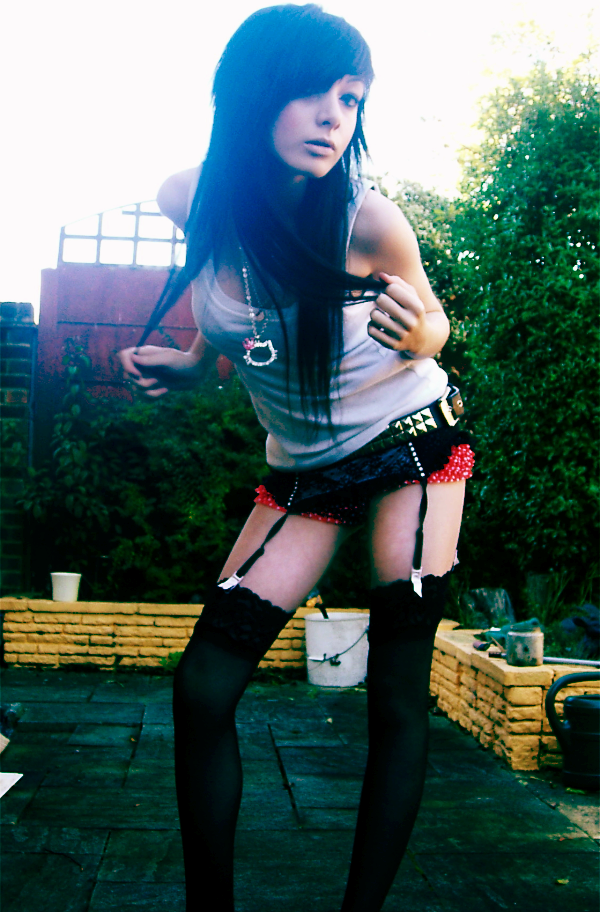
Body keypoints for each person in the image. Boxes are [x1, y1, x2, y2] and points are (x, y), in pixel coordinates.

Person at [118, 5, 474, 910]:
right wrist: (193, 362)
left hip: (411, 448)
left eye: (350, 99)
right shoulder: (190, 197)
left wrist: (424, 330)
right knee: (204, 688)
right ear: (251, 94)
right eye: (311, 92)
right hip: (304, 475)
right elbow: (230, 295)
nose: (332, 117)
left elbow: (432, 321)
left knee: (394, 695)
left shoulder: (366, 220)